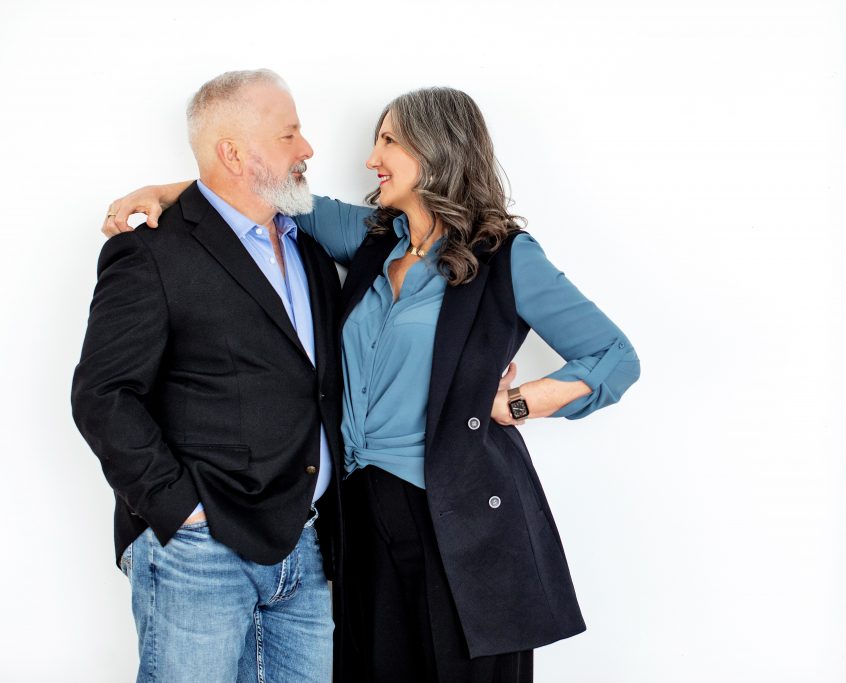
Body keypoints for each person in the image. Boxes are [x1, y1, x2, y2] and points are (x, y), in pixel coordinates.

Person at [104, 86, 640, 683]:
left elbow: (614, 356)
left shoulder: (506, 256)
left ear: (435, 152)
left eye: (388, 141)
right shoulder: (370, 237)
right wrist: (162, 191)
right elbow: (253, 189)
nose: (371, 158)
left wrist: (520, 400)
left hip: (458, 521)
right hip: (358, 520)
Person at [72, 69, 343, 682]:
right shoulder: (151, 252)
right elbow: (102, 395)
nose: (307, 149)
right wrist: (180, 508)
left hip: (306, 548)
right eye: (289, 133)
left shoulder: (310, 249)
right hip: (201, 552)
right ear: (234, 153)